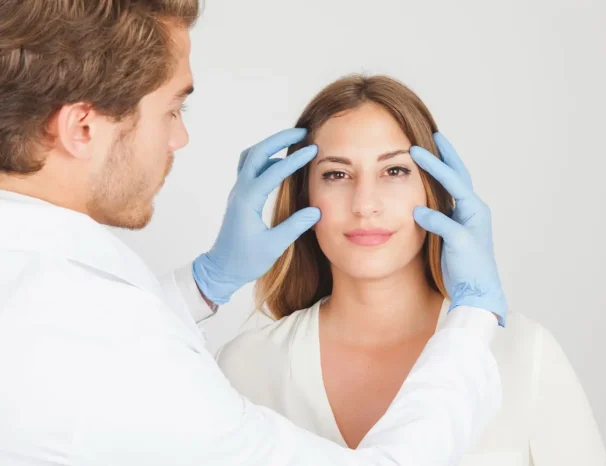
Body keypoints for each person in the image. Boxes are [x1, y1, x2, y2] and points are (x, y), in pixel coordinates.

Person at [0, 2, 507, 465]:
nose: (180, 137)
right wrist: (473, 319)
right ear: (81, 129)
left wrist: (205, 282)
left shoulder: (50, 296)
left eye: (394, 170)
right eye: (172, 110)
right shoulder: (137, 346)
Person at [217, 75, 606, 466]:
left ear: (434, 188)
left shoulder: (524, 355)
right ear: (303, 195)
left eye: (394, 171)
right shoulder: (248, 367)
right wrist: (205, 281)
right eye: (337, 174)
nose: (365, 203)